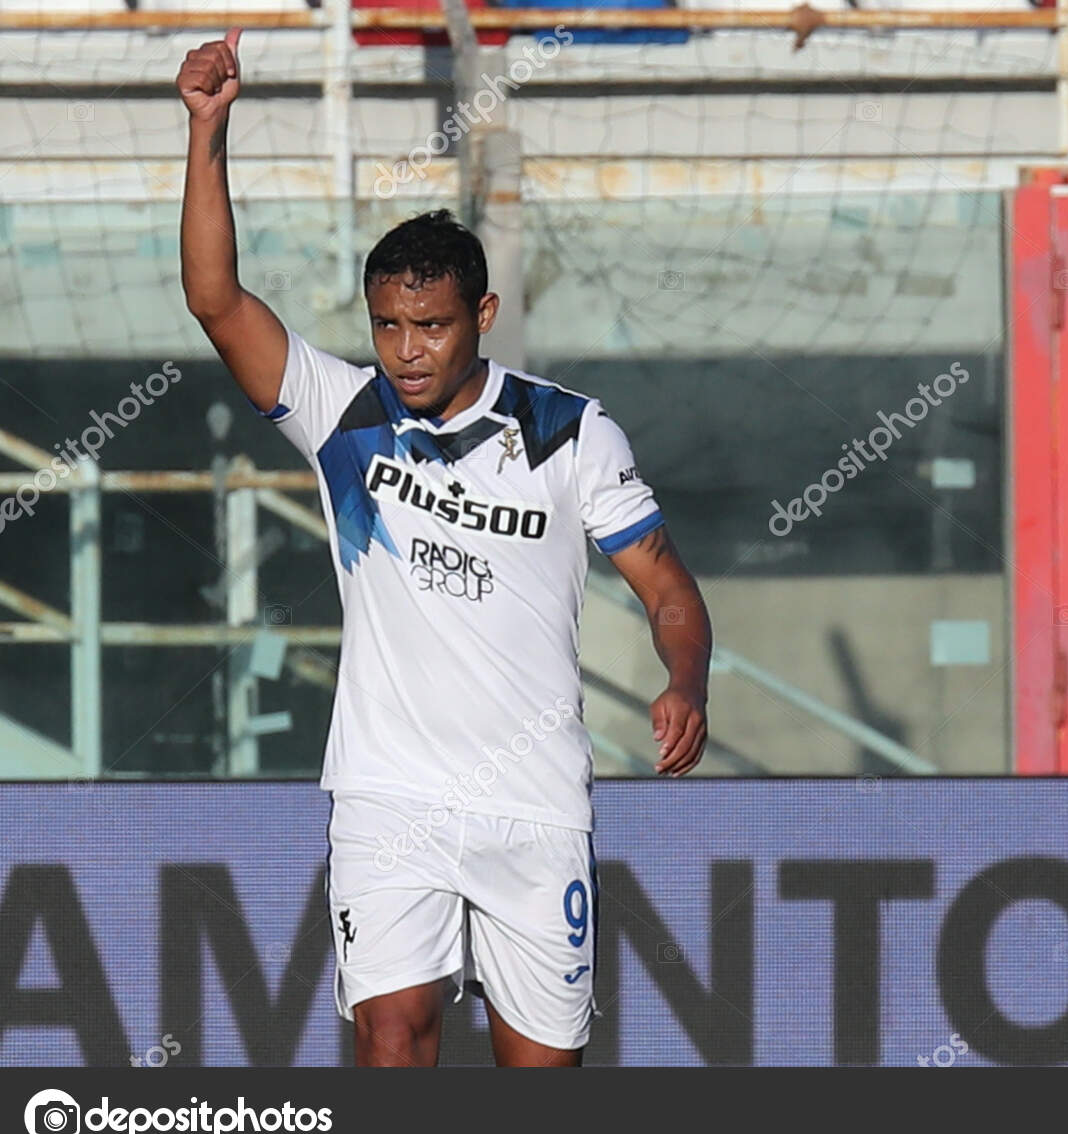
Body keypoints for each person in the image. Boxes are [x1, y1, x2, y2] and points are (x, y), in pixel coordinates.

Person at [177, 30, 712, 1067]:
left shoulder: (570, 432)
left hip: (534, 802)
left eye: (427, 325)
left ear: (483, 315)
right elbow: (216, 302)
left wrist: (683, 678)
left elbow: (669, 590)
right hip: (388, 795)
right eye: (386, 326)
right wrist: (207, 129)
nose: (405, 351)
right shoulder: (342, 414)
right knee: (393, 1037)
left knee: (539, 1078)